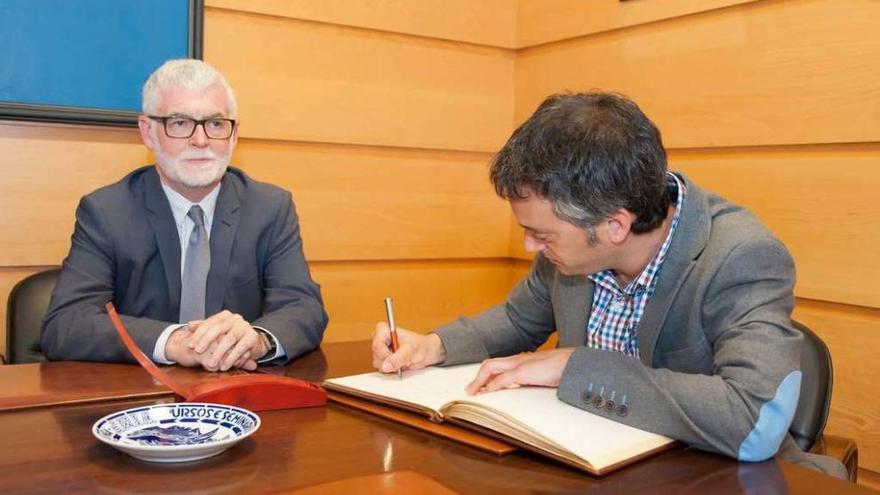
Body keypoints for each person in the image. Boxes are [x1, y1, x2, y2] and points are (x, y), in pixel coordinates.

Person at [371, 92, 846, 477]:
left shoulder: (741, 256)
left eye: (542, 234)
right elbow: (517, 319)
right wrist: (431, 346)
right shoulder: (575, 245)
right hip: (590, 467)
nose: (532, 246)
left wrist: (578, 366)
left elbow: (754, 420)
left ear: (615, 225)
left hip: (710, 479)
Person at [41, 59, 328, 371]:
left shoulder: (270, 207)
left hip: (238, 393)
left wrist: (258, 340)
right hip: (139, 397)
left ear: (233, 136)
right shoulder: (106, 212)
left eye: (216, 124)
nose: (201, 140)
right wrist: (172, 341)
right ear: (148, 132)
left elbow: (304, 307)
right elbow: (66, 324)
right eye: (179, 123)